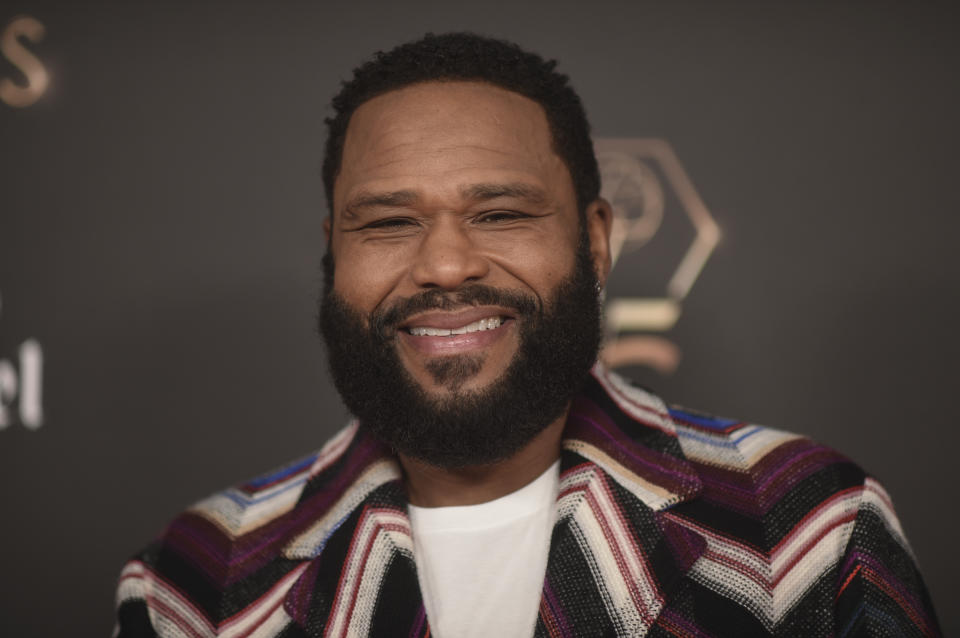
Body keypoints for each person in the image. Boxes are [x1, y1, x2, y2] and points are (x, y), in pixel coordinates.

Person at [114, 32, 940, 637]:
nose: (443, 265)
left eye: (500, 213)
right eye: (389, 222)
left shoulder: (809, 529)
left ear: (595, 241)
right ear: (334, 254)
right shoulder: (194, 584)